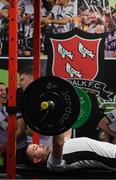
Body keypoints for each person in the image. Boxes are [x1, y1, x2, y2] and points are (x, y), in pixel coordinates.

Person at [26, 133, 116, 172]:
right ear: (37, 160)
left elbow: (67, 133)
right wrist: (56, 121)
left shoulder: (55, 151)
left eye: (37, 145)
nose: (40, 145)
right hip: (112, 158)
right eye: (36, 148)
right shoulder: (52, 162)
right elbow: (58, 143)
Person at [0, 82, 27, 164]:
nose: (4, 92)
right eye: (1, 90)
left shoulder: (9, 107)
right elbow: (11, 128)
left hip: (20, 148)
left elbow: (20, 129)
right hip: (7, 151)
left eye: (6, 90)